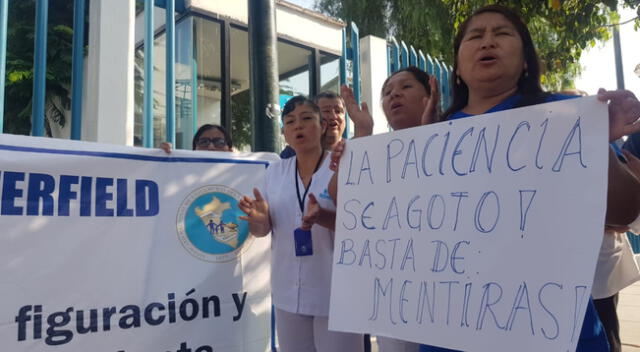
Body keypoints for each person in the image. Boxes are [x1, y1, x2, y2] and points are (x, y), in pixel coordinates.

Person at [440, 5, 640, 351]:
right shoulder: (429, 142)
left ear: (527, 60)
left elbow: (624, 213)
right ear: (457, 66)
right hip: (453, 331)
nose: (488, 41)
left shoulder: (566, 115)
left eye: (501, 33)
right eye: (475, 36)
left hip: (550, 327)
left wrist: (595, 146)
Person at [238, 95, 363, 352]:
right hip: (288, 294)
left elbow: (360, 226)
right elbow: (262, 231)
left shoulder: (341, 166)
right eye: (290, 122)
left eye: (307, 119)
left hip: (335, 294)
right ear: (284, 133)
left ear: (323, 126)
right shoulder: (274, 172)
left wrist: (323, 218)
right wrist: (258, 220)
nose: (298, 126)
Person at [330, 66, 441, 352]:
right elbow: (340, 199)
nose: (394, 96)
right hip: (393, 293)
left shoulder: (456, 138)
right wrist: (359, 140)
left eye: (405, 87)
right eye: (387, 92)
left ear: (429, 94)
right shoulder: (372, 151)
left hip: (444, 289)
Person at [280, 91, 351, 158]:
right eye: (326, 111)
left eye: (338, 111)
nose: (333, 116)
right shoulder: (291, 154)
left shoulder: (354, 150)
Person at [160, 124, 233, 153]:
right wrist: (162, 156)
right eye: (204, 142)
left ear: (230, 150)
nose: (211, 147)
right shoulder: (180, 170)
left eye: (219, 142)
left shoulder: (241, 172)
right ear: (195, 148)